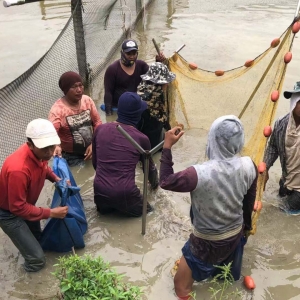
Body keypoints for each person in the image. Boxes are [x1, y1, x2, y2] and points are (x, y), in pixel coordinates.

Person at [159, 116, 257, 299]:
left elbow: (164, 181)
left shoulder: (198, 173)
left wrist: (167, 146)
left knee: (180, 288)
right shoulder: (249, 165)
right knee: (225, 281)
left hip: (205, 242)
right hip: (235, 235)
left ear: (212, 139)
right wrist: (245, 232)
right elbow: (248, 204)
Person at [0, 119, 68, 272]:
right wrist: (50, 213)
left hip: (25, 205)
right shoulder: (18, 169)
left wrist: (56, 179)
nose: (50, 152)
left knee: (40, 240)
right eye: (46, 148)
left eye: (52, 146)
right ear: (29, 145)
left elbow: (43, 167)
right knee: (37, 261)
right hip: (9, 214)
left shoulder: (40, 154)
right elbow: (17, 208)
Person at [92, 92, 158, 217]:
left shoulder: (100, 129)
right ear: (138, 115)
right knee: (151, 214)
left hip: (100, 193)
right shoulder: (141, 138)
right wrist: (155, 188)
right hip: (126, 194)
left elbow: (96, 164)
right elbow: (150, 171)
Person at [49, 71, 102, 167]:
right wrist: (56, 146)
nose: (79, 90)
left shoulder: (87, 101)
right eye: (74, 87)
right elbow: (51, 134)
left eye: (80, 85)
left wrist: (94, 143)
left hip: (92, 147)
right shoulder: (58, 111)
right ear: (65, 90)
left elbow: (97, 122)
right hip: (71, 155)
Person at [264, 81, 300, 213]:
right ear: (293, 102)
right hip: (285, 183)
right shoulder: (281, 124)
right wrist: (265, 167)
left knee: (281, 214)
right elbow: (272, 147)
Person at [103, 39, 165, 116]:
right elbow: (108, 93)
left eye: (134, 53)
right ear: (122, 53)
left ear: (137, 53)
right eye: (128, 53)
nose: (132, 56)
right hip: (119, 108)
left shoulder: (141, 65)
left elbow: (153, 80)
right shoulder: (112, 69)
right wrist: (109, 116)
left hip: (136, 105)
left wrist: (158, 62)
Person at [137, 62, 176, 148]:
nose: (167, 84)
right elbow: (160, 118)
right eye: (166, 82)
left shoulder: (144, 88)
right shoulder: (153, 98)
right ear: (159, 84)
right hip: (149, 139)